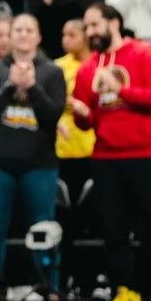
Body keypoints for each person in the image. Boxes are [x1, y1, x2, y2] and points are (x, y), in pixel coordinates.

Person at [71, 3, 151, 301]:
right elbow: (89, 121)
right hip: (106, 158)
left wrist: (120, 88)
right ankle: (126, 293)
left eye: (95, 24)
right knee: (114, 230)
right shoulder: (87, 68)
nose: (90, 32)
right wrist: (81, 115)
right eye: (87, 27)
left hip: (147, 154)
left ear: (114, 23)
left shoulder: (143, 54)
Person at [0, 14, 67, 301]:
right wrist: (11, 86)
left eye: (29, 30)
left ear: (38, 37)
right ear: (10, 36)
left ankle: (50, 291)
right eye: (18, 30)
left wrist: (33, 87)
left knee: (44, 228)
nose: (23, 35)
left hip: (39, 164)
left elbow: (53, 115)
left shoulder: (52, 72)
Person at [54, 19, 95, 203]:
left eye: (72, 35)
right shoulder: (57, 66)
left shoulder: (99, 63)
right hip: (63, 144)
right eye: (63, 35)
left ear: (86, 37)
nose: (65, 40)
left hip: (91, 145)